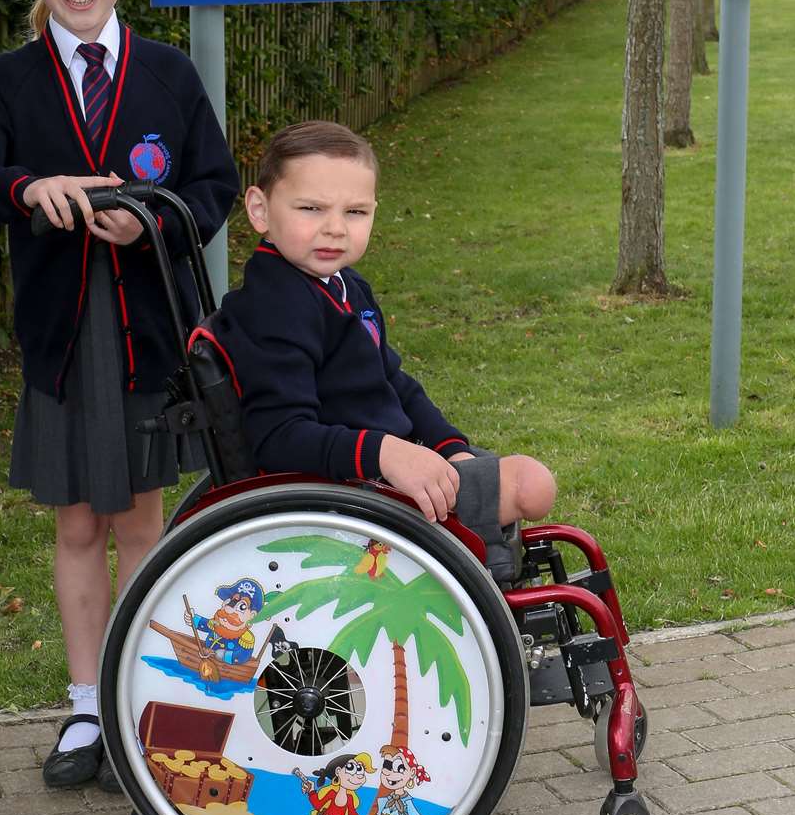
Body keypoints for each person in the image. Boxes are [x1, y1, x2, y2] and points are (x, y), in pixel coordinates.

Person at [0, 0, 239, 791]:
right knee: (79, 522)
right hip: (65, 344)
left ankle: (143, 698)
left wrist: (153, 219)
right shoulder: (7, 81)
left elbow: (215, 187)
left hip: (149, 335)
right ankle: (85, 705)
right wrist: (26, 188)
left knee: (143, 519)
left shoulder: (168, 75)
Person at [214, 120, 556, 583]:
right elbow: (279, 437)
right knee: (532, 486)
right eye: (311, 208)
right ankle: (480, 562)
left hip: (386, 470)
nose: (334, 229)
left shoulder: (345, 286)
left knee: (495, 473)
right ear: (260, 209)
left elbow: (393, 383)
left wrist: (448, 445)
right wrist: (384, 453)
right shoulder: (276, 306)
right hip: (349, 493)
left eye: (355, 212)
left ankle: (483, 554)